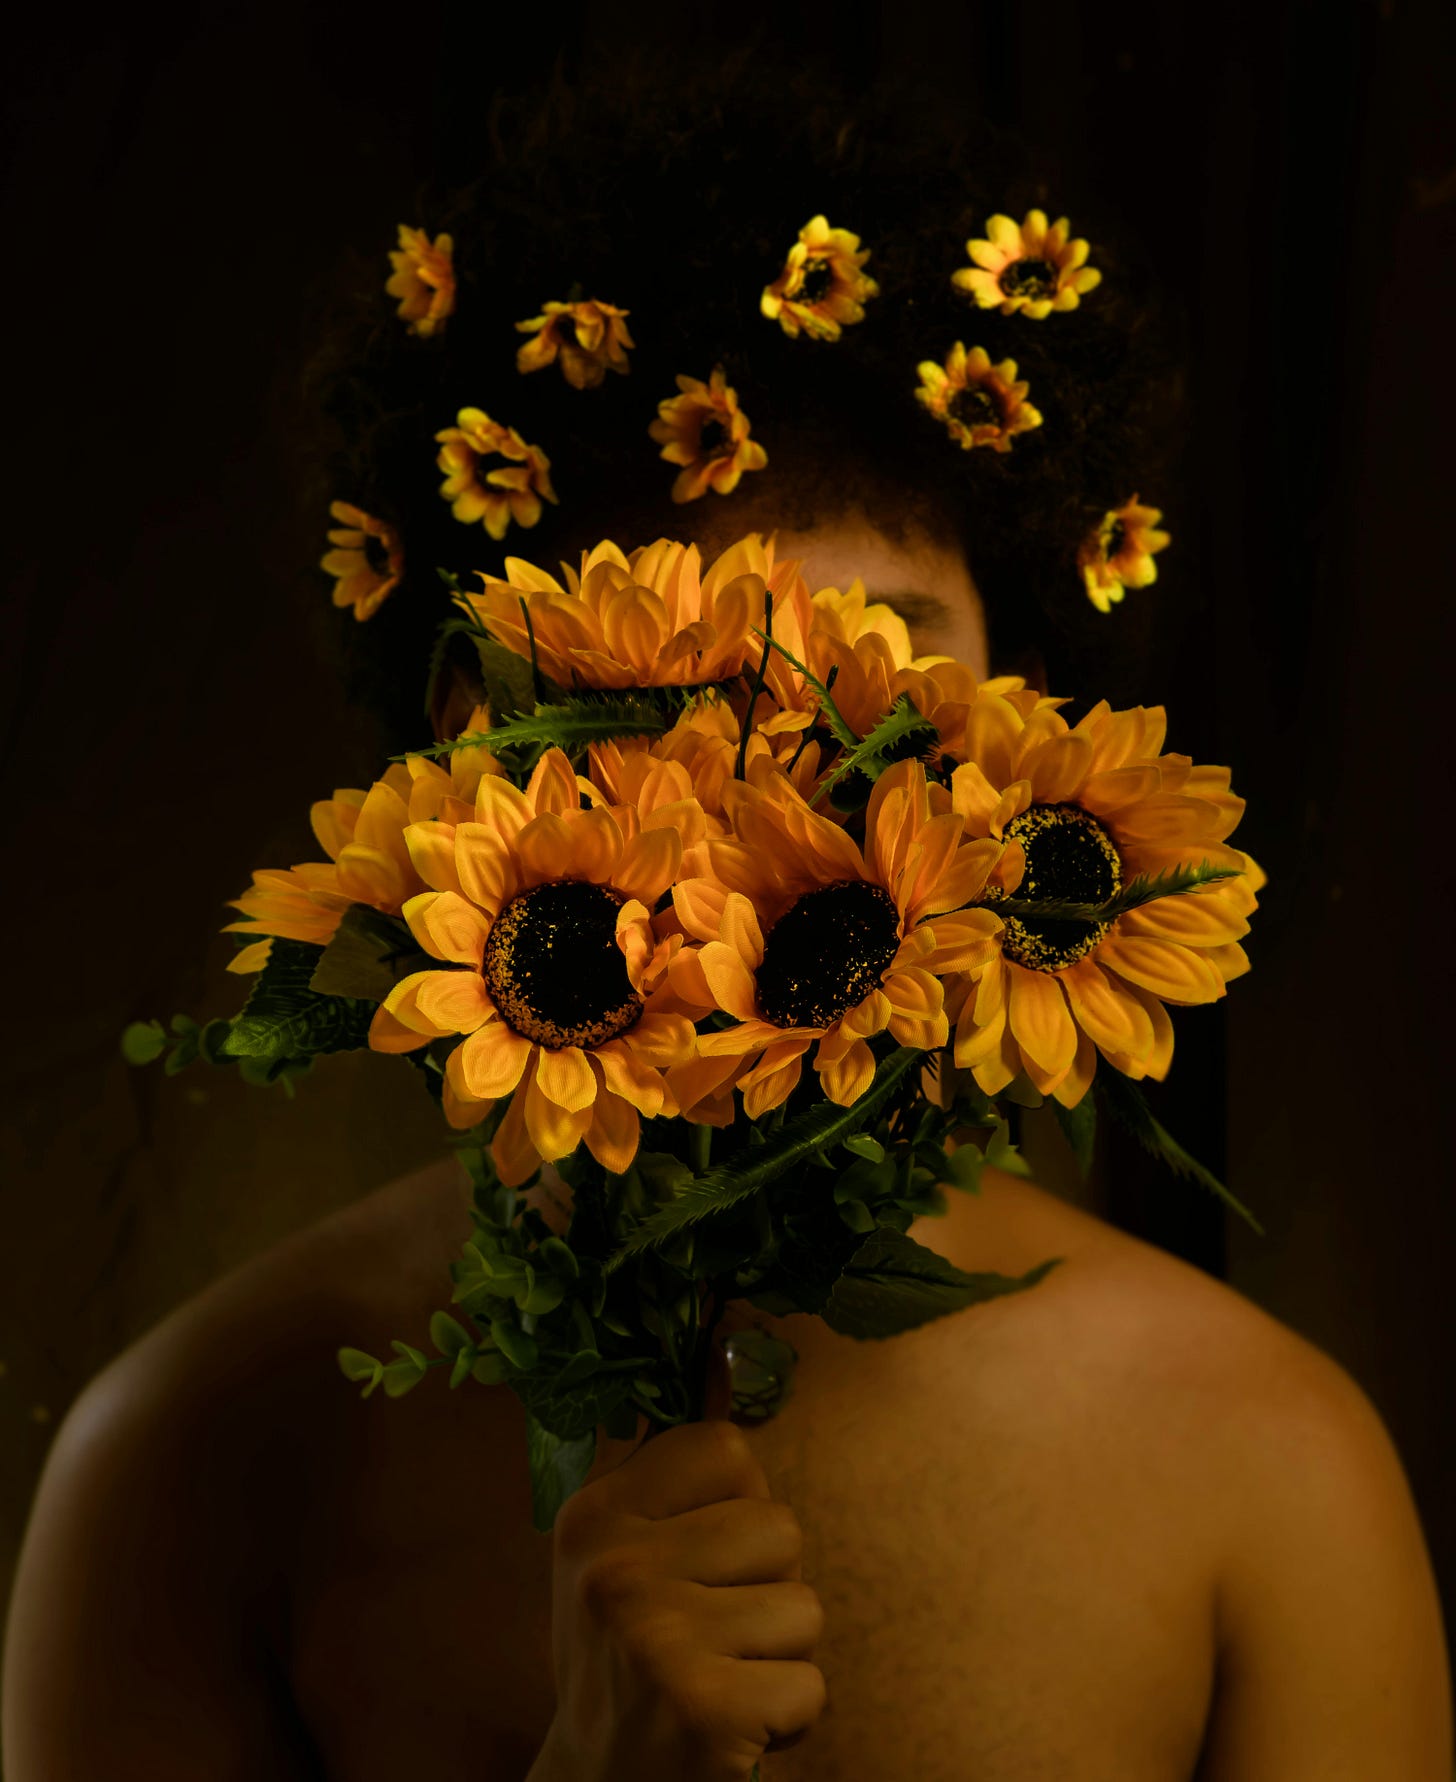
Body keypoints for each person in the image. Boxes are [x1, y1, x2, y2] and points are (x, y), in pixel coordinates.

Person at [4, 42, 1451, 1782]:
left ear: (1034, 735)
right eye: (708, 676)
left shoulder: (1269, 1466)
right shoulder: (189, 1469)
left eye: (891, 677)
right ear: (488, 741)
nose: (803, 778)